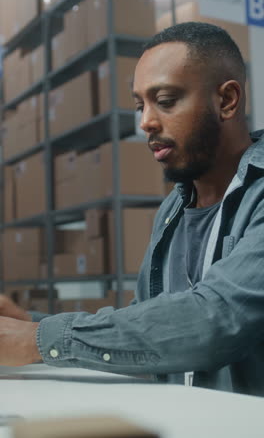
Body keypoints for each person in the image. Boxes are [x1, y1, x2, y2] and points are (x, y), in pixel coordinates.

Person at [1, 22, 264, 396]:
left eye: (167, 100)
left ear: (226, 100)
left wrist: (37, 340)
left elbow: (214, 321)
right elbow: (149, 327)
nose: (146, 123)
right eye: (141, 105)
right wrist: (28, 324)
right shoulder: (173, 209)